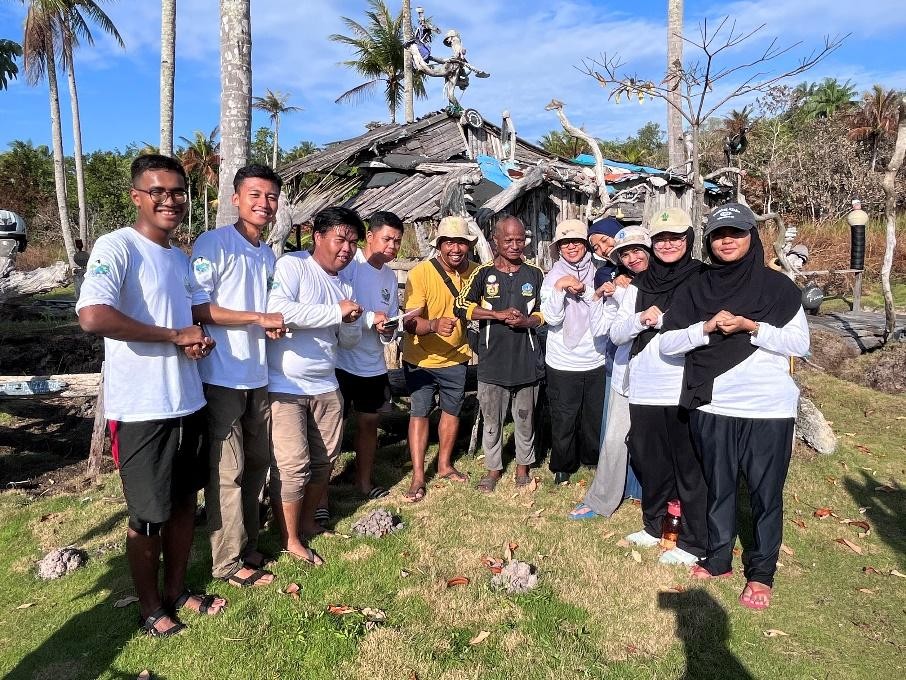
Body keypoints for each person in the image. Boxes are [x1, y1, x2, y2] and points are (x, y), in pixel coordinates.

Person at [76, 154, 225, 637]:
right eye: (157, 191)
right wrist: (172, 335)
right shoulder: (117, 246)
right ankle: (149, 606)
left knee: (184, 503)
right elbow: (93, 316)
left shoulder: (179, 258)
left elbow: (182, 321)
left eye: (177, 191)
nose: (170, 200)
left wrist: (196, 337)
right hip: (141, 407)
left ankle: (179, 589)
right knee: (147, 516)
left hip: (188, 399)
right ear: (136, 196)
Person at [660, 202, 809, 610]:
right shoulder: (695, 288)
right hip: (713, 404)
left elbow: (801, 344)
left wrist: (752, 327)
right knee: (719, 488)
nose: (727, 240)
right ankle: (719, 557)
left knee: (765, 494)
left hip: (768, 409)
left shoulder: (778, 288)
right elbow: (668, 343)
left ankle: (761, 573)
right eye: (718, 234)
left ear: (752, 237)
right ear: (708, 242)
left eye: (736, 233)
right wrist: (703, 328)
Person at [189, 164, 287, 588]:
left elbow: (264, 310)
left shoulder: (266, 253)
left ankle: (245, 543)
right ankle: (227, 563)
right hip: (222, 374)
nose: (264, 204)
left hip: (257, 374)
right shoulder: (213, 244)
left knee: (258, 463)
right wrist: (257, 316)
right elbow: (198, 307)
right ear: (235, 199)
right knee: (226, 471)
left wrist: (271, 324)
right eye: (255, 195)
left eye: (270, 197)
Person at [608, 209, 708, 567]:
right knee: (650, 460)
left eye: (675, 237)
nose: (667, 244)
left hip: (682, 382)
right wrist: (640, 318)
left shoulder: (701, 277)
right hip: (644, 384)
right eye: (661, 238)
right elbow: (617, 333)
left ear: (689, 239)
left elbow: (704, 323)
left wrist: (665, 320)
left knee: (689, 464)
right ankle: (654, 526)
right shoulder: (638, 284)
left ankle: (694, 539)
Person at [266, 206, 364, 565]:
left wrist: (358, 322)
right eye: (341, 239)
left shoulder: (345, 283)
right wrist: (336, 312)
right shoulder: (293, 266)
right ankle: (290, 538)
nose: (347, 248)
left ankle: (307, 522)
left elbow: (347, 342)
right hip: (286, 385)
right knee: (293, 466)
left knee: (324, 462)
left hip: (326, 384)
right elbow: (280, 311)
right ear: (317, 236)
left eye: (353, 242)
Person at [453, 216, 545, 493]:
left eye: (520, 240)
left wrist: (527, 321)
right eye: (509, 240)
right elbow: (461, 306)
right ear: (496, 240)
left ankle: (523, 468)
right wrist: (496, 315)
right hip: (492, 362)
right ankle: (493, 469)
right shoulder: (482, 274)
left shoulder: (535, 273)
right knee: (492, 420)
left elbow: (546, 313)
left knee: (525, 418)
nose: (515, 245)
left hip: (527, 360)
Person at [571, 225, 651, 519]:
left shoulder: (669, 281)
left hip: (664, 374)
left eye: (636, 251)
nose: (631, 258)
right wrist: (602, 299)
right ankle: (602, 497)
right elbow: (607, 331)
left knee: (655, 438)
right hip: (625, 369)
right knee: (616, 435)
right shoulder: (618, 284)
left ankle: (649, 494)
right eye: (624, 254)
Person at [400, 215, 478, 503]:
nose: (455, 249)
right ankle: (418, 475)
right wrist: (433, 325)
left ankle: (444, 465)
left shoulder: (476, 272)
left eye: (461, 242)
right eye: (449, 242)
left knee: (451, 411)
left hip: (456, 356)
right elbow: (409, 322)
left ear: (469, 245)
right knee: (419, 413)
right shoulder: (420, 274)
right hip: (421, 359)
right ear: (439, 245)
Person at [334, 210, 404, 500]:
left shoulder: (389, 276)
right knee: (332, 430)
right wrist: (368, 319)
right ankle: (322, 495)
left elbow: (389, 316)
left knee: (368, 424)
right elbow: (338, 308)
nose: (392, 246)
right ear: (370, 236)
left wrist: (389, 330)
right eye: (387, 238)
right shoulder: (349, 267)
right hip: (340, 361)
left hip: (373, 363)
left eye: (398, 241)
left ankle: (362, 483)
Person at [540, 219, 611, 485]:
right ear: (558, 247)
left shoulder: (601, 271)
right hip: (563, 360)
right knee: (564, 416)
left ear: (585, 245)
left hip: (595, 356)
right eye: (565, 242)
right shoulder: (552, 277)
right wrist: (561, 288)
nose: (571, 247)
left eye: (577, 242)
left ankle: (591, 458)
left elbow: (606, 304)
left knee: (593, 415)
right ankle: (562, 465)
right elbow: (551, 318)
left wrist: (586, 290)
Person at [588, 216, 642, 502]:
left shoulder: (648, 267)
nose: (601, 248)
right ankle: (615, 486)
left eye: (605, 240)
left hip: (652, 362)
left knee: (644, 430)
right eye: (595, 245)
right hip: (619, 357)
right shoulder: (605, 274)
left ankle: (639, 486)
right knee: (617, 429)